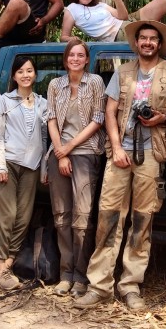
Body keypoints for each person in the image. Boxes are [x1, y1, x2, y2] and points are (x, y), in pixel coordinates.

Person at [74, 21, 166, 312]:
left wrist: (163, 117)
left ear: (159, 44)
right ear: (136, 43)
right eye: (143, 38)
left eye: (153, 39)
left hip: (152, 153)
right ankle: (99, 286)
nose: (147, 43)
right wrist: (115, 147)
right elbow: (110, 110)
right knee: (108, 217)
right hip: (120, 153)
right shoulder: (123, 71)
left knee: (142, 220)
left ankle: (130, 285)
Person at [45, 40, 106, 298]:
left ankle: (81, 276)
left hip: (85, 152)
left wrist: (70, 147)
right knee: (61, 217)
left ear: (87, 59)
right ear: (66, 58)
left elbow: (98, 119)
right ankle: (65, 274)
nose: (76, 59)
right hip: (59, 153)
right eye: (72, 54)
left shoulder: (95, 82)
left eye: (81, 55)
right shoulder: (55, 85)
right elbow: (51, 118)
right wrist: (60, 151)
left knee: (82, 219)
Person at [0, 55, 48, 290]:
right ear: (14, 76)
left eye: (29, 71)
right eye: (21, 71)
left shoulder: (43, 103)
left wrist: (44, 168)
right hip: (9, 163)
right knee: (7, 215)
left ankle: (8, 263)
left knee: (24, 217)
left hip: (32, 166)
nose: (26, 75)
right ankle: (0, 268)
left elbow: (44, 139)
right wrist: (0, 165)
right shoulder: (5, 101)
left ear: (35, 74)